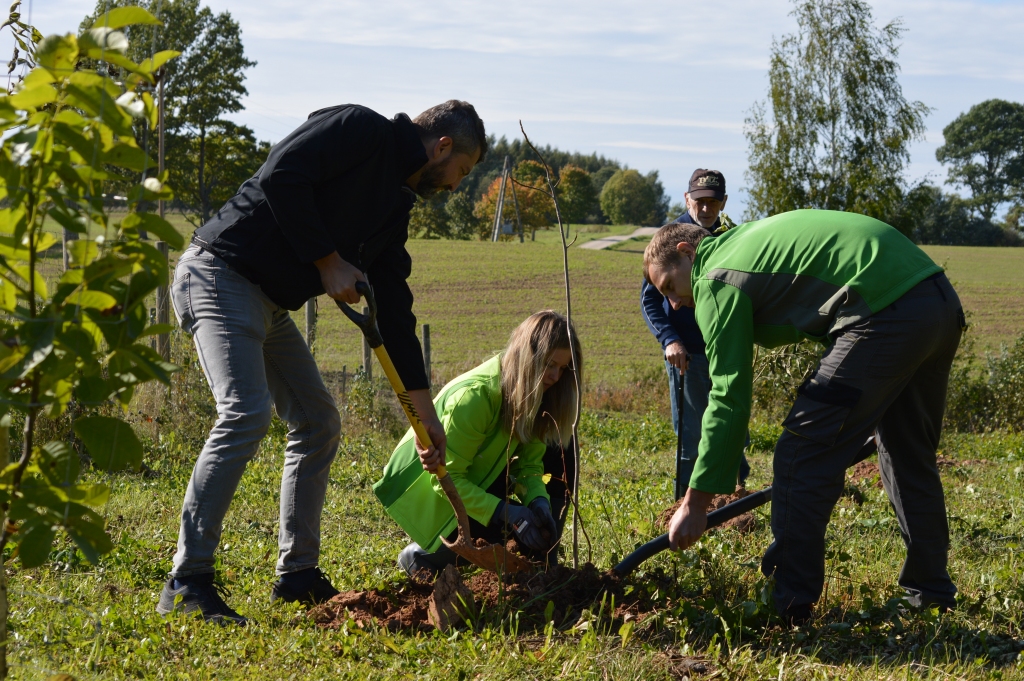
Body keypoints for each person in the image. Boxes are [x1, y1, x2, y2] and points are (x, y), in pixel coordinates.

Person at [159, 100, 487, 625]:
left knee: (318, 422)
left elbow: (394, 308)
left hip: (267, 303)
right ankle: (186, 580)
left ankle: (297, 576)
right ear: (442, 146)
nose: (454, 187)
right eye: (462, 172)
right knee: (245, 413)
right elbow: (282, 174)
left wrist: (426, 415)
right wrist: (328, 261)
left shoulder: (393, 206)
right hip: (220, 274)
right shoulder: (361, 129)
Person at [644, 210, 965, 623]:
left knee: (801, 454)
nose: (673, 303)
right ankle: (931, 593)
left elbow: (728, 396)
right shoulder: (746, 243)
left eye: (669, 286)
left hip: (884, 311)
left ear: (688, 252)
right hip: (936, 300)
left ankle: (788, 605)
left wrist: (696, 502)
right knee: (907, 452)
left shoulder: (713, 277)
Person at [374, 311, 581, 577]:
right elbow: (445, 480)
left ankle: (545, 565)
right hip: (434, 496)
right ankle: (420, 556)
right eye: (549, 365)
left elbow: (529, 466)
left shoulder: (536, 394)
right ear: (527, 358)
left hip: (481, 481)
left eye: (562, 368)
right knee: (509, 535)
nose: (555, 376)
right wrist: (506, 512)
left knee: (562, 451)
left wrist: (538, 503)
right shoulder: (475, 398)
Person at [640, 169, 748, 497]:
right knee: (692, 434)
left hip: (725, 349)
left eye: (712, 202)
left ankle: (734, 499)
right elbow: (649, 300)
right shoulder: (668, 241)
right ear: (687, 199)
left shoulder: (729, 237)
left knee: (731, 423)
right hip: (687, 353)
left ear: (723, 203)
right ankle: (684, 504)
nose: (705, 208)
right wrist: (669, 339)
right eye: (699, 201)